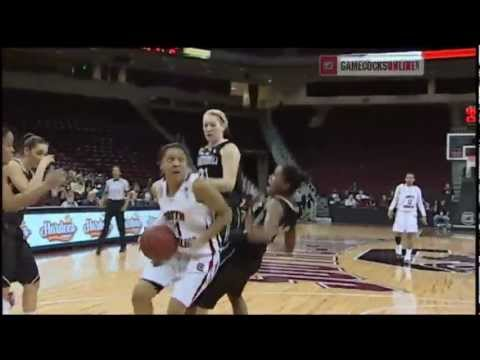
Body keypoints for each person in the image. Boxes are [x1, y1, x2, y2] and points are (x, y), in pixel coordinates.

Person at [131, 143, 232, 315]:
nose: (176, 163)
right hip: (174, 253)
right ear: (161, 165)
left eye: (181, 160)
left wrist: (202, 239)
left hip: (203, 256)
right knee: (140, 295)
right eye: (170, 159)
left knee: (176, 309)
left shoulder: (198, 186)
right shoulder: (158, 188)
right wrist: (148, 235)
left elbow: (226, 214)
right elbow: (167, 216)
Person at [189, 165, 303, 315]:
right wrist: (283, 247)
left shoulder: (275, 204)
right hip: (252, 260)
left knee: (200, 300)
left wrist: (245, 222)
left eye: (275, 176)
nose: (270, 177)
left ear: (286, 184)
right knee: (235, 296)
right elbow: (290, 243)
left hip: (235, 255)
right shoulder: (294, 208)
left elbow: (265, 235)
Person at [2, 127, 66, 314]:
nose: (41, 158)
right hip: (4, 230)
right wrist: (44, 170)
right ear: (27, 151)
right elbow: (28, 191)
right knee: (4, 288)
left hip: (14, 230)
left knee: (32, 280)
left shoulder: (28, 171)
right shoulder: (13, 166)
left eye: (45, 154)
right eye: (39, 153)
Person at [196, 109, 242, 264]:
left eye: (212, 125)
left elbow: (229, 184)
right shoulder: (202, 150)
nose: (208, 129)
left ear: (223, 126)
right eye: (205, 125)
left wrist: (198, 184)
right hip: (205, 210)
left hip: (225, 209)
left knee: (220, 260)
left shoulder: (229, 149)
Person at [388, 173, 427, 266]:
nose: (409, 179)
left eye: (411, 178)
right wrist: (390, 209)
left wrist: (423, 215)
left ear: (414, 179)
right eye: (408, 178)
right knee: (398, 233)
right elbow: (395, 199)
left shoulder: (417, 189)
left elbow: (420, 203)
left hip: (411, 214)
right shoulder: (400, 187)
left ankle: (408, 256)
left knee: (410, 235)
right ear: (405, 179)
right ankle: (398, 247)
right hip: (401, 213)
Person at [96, 165, 130, 254]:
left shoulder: (124, 182)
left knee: (121, 227)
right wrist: (102, 202)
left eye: (116, 171)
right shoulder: (108, 182)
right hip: (110, 204)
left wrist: (125, 206)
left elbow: (127, 195)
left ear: (120, 172)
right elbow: (105, 194)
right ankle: (99, 247)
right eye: (113, 171)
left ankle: (123, 246)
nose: (114, 172)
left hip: (120, 203)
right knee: (106, 226)